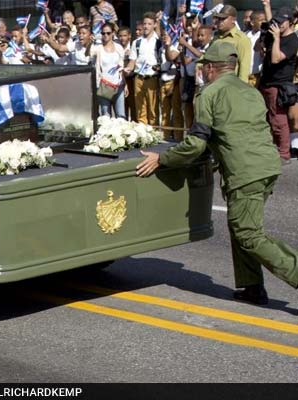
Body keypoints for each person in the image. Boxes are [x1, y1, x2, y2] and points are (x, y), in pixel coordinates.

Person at [136, 42, 298, 305]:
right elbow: (236, 133)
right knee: (242, 225)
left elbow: (197, 143)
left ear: (210, 68)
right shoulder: (250, 91)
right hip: (268, 166)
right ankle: (252, 287)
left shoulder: (209, 94)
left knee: (248, 233)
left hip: (245, 172)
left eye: (203, 67)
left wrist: (162, 159)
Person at [258, 7, 298, 163]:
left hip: (279, 85)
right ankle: (272, 149)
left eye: (282, 22)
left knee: (279, 120)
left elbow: (275, 58)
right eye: (277, 21)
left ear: (290, 22)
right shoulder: (275, 34)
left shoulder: (293, 40)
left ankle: (284, 154)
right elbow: (258, 48)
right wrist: (266, 5)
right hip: (266, 82)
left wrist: (275, 39)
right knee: (267, 119)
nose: (278, 25)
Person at [124, 12, 161, 126]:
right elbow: (132, 61)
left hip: (152, 78)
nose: (146, 26)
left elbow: (161, 60)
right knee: (140, 109)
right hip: (138, 78)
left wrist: (158, 67)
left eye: (149, 24)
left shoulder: (158, 41)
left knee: (153, 109)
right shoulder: (137, 42)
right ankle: (143, 133)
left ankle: (154, 132)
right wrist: (127, 69)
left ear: (154, 25)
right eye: (144, 23)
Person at [210, 5, 252, 82]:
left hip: (229, 84)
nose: (220, 21)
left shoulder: (241, 39)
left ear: (233, 20)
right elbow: (207, 56)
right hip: (213, 82)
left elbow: (244, 67)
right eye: (218, 18)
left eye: (223, 19)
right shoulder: (216, 36)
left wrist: (240, 88)